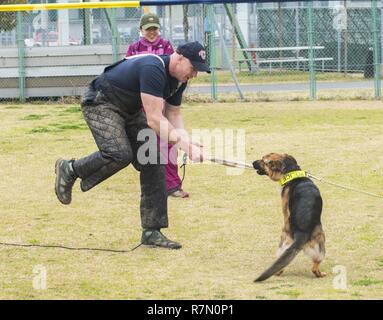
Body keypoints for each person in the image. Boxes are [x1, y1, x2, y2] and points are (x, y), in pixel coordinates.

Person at [54, 42, 210, 249]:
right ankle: (70, 168)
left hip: (130, 110)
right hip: (102, 101)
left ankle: (151, 232)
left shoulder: (179, 81)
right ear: (179, 58)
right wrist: (184, 145)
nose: (195, 74)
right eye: (194, 68)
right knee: (119, 153)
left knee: (153, 159)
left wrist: (187, 142)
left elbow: (173, 114)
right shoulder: (153, 68)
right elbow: (155, 120)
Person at [126, 12, 189, 198]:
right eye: (148, 29)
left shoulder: (167, 47)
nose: (152, 33)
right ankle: (153, 185)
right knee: (145, 145)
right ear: (141, 30)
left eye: (154, 29)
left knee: (167, 141)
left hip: (159, 102)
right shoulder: (134, 48)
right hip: (141, 104)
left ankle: (173, 185)